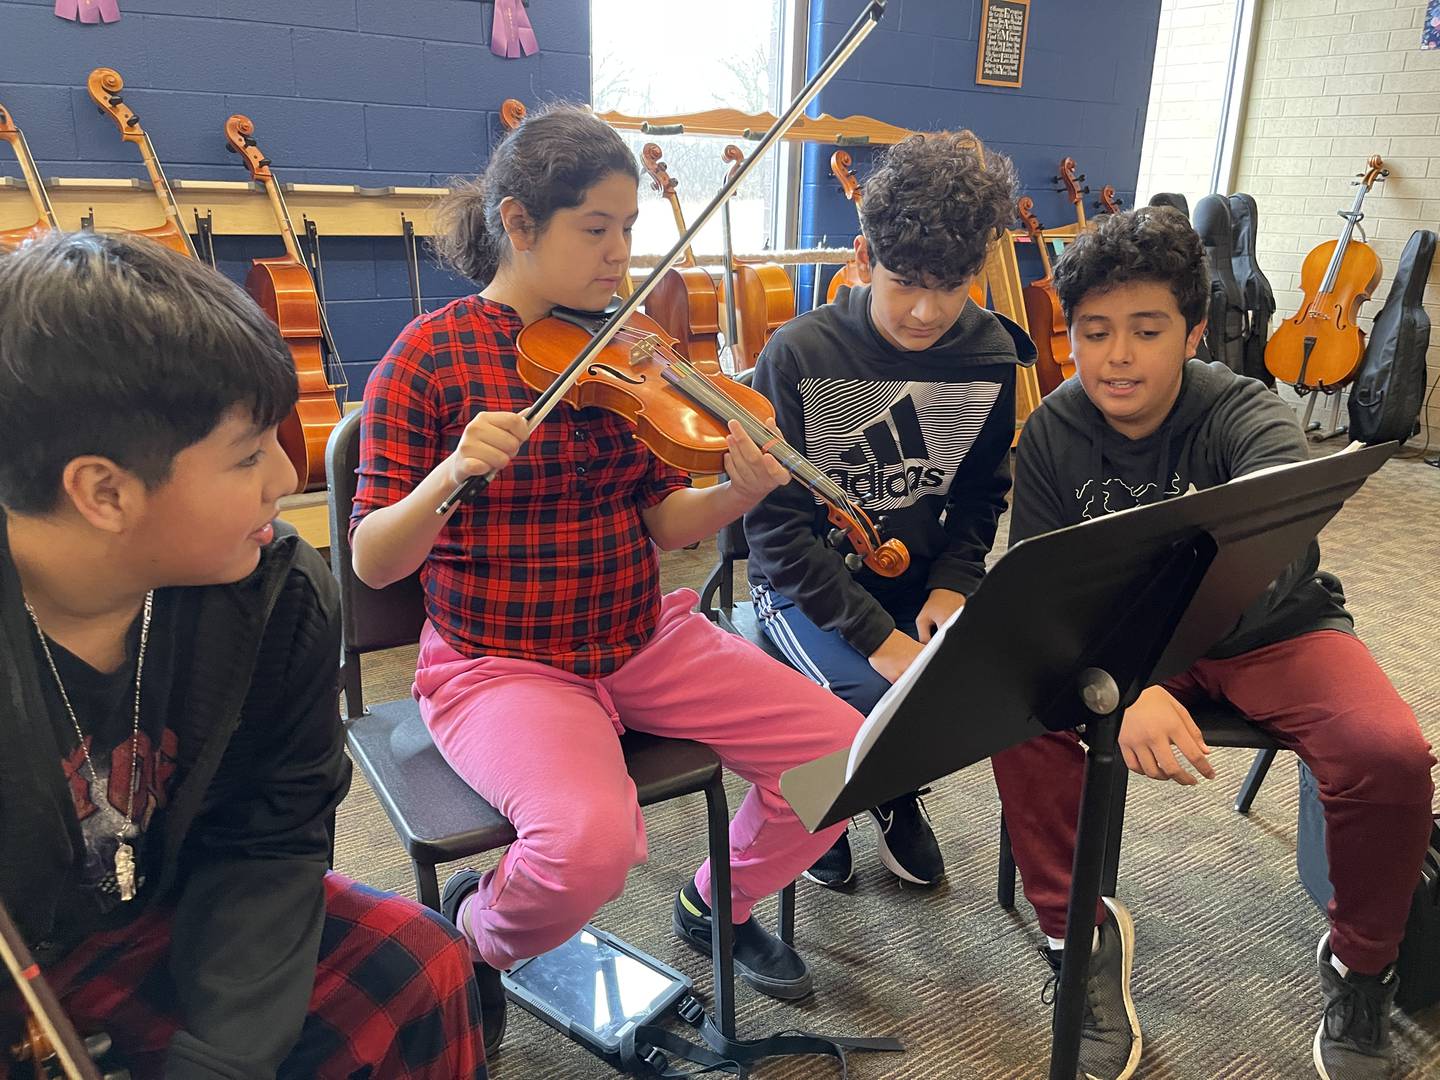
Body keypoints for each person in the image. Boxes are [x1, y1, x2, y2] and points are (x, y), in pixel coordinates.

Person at [348, 105, 867, 1046]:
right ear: (516, 222)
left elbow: (665, 519)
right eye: (597, 229)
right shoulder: (430, 356)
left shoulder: (625, 348)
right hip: (501, 662)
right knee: (589, 845)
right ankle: (475, 934)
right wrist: (450, 474)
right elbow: (375, 556)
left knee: (844, 758)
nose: (620, 254)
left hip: (642, 634)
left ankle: (717, 900)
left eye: (630, 229)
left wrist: (736, 494)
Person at [0, 231, 487, 1078]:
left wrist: (220, 1063)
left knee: (423, 965)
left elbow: (267, 837)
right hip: (30, 961)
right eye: (246, 452)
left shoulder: (278, 591)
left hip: (172, 899)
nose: (284, 475)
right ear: (103, 492)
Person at [993, 206, 1435, 1080]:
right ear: (1069, 337)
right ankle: (1075, 942)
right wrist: (1122, 680)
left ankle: (1361, 966)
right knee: (1015, 715)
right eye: (1095, 332)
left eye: (1146, 330)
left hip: (1272, 631)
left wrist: (1132, 673)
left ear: (1192, 334)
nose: (1118, 355)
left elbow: (1278, 552)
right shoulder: (1049, 430)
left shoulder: (1244, 410)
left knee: (1389, 754)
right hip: (1115, 647)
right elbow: (1038, 599)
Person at [744, 131, 1031, 889]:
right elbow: (773, 532)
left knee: (968, 693)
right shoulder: (801, 354)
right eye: (905, 281)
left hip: (913, 575)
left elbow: (978, 493)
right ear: (865, 259)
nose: (927, 311)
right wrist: (877, 638)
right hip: (802, 585)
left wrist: (955, 583)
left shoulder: (992, 354)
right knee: (873, 694)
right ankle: (821, 807)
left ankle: (881, 789)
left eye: (955, 283)